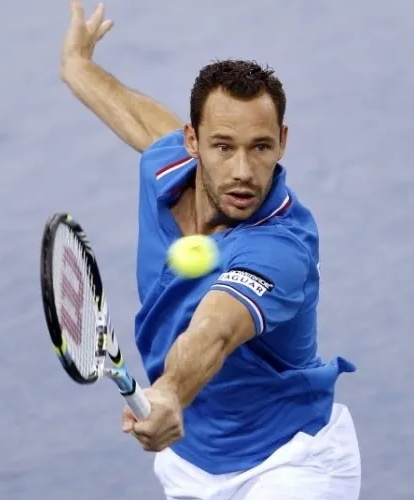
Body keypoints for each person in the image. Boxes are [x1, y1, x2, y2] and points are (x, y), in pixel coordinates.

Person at [60, 2, 361, 498]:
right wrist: (78, 66)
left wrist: (172, 391)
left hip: (292, 462)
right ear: (192, 142)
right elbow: (136, 115)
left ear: (283, 142)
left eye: (261, 147)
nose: (243, 169)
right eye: (224, 146)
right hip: (191, 468)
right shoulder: (165, 164)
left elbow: (214, 331)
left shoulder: (282, 247)